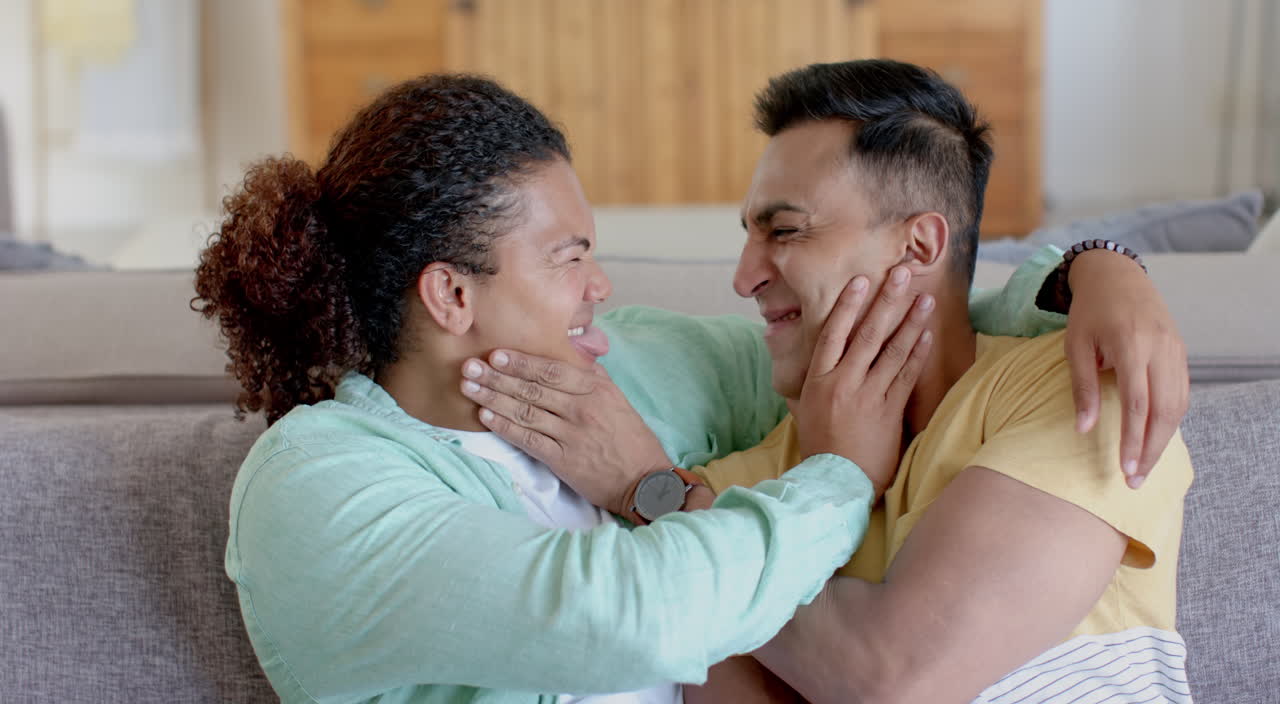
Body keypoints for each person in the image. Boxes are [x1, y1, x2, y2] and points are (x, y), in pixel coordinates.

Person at [194, 73, 1187, 703]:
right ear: (450, 294)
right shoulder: (315, 485)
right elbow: (645, 620)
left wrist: (1090, 274)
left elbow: (910, 326)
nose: (600, 287)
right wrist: (835, 474)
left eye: (780, 230)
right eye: (568, 256)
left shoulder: (634, 371)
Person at [691, 61, 1193, 702]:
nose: (745, 277)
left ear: (920, 246)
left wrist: (693, 536)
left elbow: (892, 679)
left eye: (785, 231)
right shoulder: (741, 482)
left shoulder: (1079, 387)